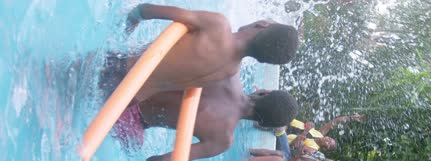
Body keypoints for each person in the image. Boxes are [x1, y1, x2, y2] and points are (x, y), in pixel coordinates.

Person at [116, 73, 299, 161]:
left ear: (264, 92)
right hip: (129, 121)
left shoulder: (228, 75)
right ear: (263, 124)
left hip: (130, 79)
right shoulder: (222, 139)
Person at [102, 3, 299, 102]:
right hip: (130, 98)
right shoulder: (228, 72)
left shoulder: (218, 25)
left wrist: (125, 27)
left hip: (118, 69)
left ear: (262, 24)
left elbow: (146, 10)